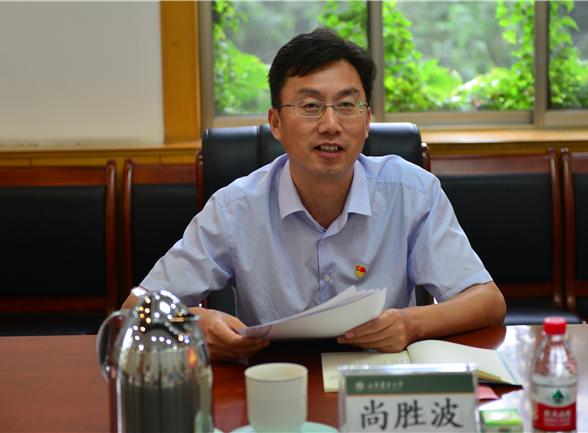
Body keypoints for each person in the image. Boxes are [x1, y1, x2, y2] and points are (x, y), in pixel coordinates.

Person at [122, 28, 506, 361]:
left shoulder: (412, 192)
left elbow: (487, 301)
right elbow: (135, 307)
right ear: (276, 122)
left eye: (347, 105)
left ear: (367, 120)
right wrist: (193, 322)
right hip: (272, 384)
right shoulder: (235, 208)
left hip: (377, 387)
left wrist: (411, 324)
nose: (330, 124)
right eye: (310, 106)